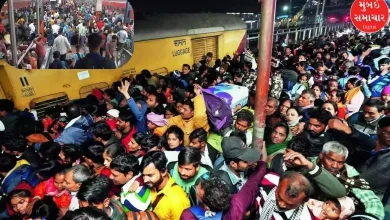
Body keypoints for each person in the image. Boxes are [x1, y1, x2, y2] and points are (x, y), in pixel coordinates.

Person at [316, 141, 384, 220]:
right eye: (331, 160)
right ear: (321, 155)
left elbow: (371, 200)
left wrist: (369, 218)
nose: (335, 166)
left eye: (340, 162)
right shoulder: (310, 164)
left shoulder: (348, 172)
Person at [141, 151, 190, 220]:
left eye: (150, 175)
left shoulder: (178, 200)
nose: (145, 180)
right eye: (143, 175)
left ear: (163, 172)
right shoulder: (153, 184)